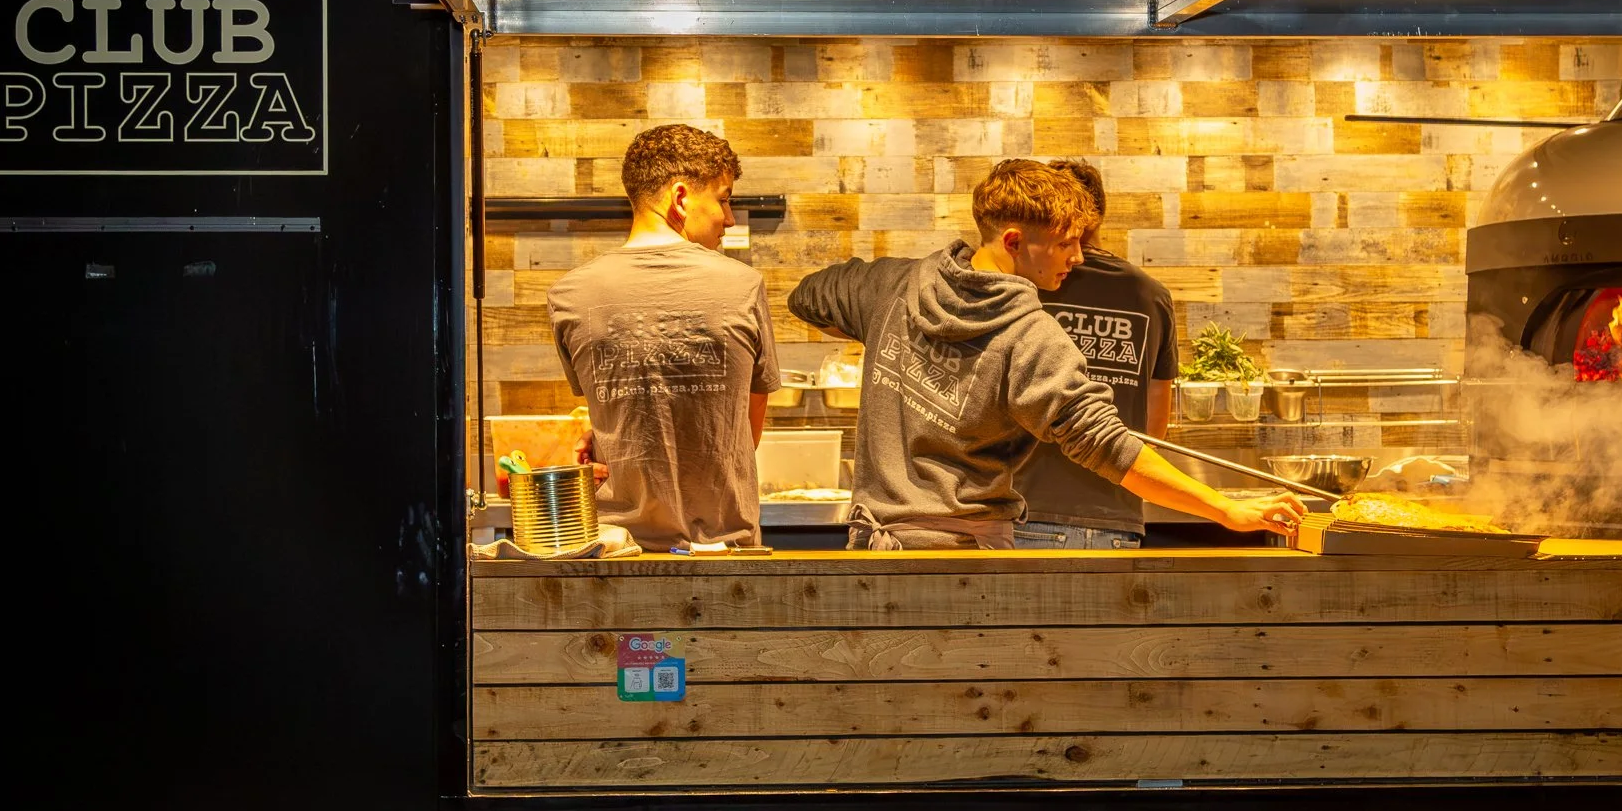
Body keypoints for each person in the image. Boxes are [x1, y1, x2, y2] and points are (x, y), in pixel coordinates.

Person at [787, 159, 1304, 551]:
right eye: (1065, 244)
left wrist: (880, 333)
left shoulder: (891, 286)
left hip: (874, 549)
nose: (1078, 258)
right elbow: (1108, 444)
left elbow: (808, 294)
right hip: (966, 558)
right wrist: (1223, 508)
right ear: (1014, 241)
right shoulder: (1031, 335)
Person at [546, 124, 777, 550]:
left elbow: (612, 407)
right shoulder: (743, 285)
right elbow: (746, 425)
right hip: (726, 550)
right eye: (724, 199)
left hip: (615, 550)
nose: (728, 218)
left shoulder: (569, 295)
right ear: (681, 198)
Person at [1010, 159, 1178, 550]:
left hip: (1026, 510)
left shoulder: (1025, 284)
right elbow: (1154, 429)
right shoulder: (1151, 295)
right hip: (1117, 518)